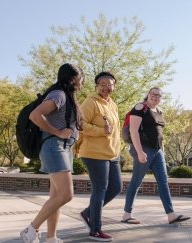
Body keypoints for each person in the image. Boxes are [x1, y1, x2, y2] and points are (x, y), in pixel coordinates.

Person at [20, 63, 84, 243]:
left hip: (63, 148)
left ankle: (51, 238)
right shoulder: (59, 95)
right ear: (73, 79)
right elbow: (35, 115)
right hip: (54, 146)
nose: (82, 82)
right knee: (66, 195)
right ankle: (31, 230)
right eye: (81, 78)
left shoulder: (66, 97)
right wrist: (57, 132)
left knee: (56, 197)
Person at [121, 87, 190, 225]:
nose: (155, 97)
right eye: (153, 94)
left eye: (158, 95)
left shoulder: (159, 111)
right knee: (136, 181)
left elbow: (160, 135)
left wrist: (162, 151)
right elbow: (134, 131)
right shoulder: (140, 107)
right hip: (144, 149)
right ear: (148, 94)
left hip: (157, 151)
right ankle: (126, 215)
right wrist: (140, 152)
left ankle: (171, 215)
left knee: (163, 181)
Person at [77, 71, 122, 242]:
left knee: (116, 187)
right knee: (100, 189)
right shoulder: (90, 102)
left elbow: (114, 130)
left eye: (109, 84)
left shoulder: (112, 104)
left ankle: (88, 213)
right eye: (102, 84)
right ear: (96, 86)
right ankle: (95, 230)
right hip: (94, 153)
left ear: (114, 86)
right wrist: (101, 131)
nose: (106, 87)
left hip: (112, 154)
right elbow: (80, 124)